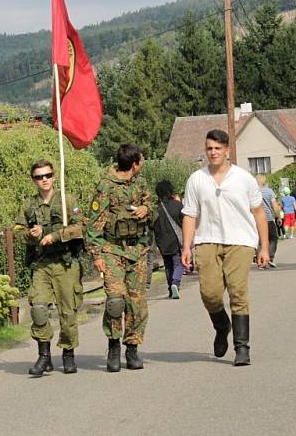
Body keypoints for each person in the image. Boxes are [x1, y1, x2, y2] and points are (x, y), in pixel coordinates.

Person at [181, 129, 269, 367]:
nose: (213, 153)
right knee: (209, 293)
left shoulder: (244, 179)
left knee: (238, 292)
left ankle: (242, 348)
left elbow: (259, 213)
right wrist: (186, 246)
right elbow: (190, 215)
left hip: (240, 241)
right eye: (209, 148)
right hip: (207, 240)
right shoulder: (196, 179)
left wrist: (264, 248)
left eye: (218, 148)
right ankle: (222, 326)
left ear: (227, 151)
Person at [86, 143, 153, 372]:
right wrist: (96, 255)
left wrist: (146, 209)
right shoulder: (106, 186)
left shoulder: (140, 183)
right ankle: (113, 345)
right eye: (141, 160)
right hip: (112, 251)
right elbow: (94, 223)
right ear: (134, 164)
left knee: (136, 303)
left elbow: (150, 206)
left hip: (137, 251)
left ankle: (132, 348)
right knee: (116, 301)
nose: (142, 164)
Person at [13, 160, 84, 375]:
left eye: (47, 175)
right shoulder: (28, 205)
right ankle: (44, 356)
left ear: (54, 176)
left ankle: (68, 353)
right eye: (39, 177)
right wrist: (31, 235)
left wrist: (56, 236)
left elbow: (81, 226)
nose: (44, 180)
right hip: (41, 264)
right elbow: (17, 231)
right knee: (39, 308)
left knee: (67, 311)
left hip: (65, 263)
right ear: (33, 180)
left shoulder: (66, 201)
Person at [153, 179, 184, 299]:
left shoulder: (156, 208)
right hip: (175, 240)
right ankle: (175, 283)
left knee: (168, 265)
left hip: (162, 241)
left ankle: (170, 289)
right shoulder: (177, 205)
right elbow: (184, 222)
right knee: (178, 263)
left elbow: (152, 225)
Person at [256, 174, 280, 268]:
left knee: (259, 240)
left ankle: (260, 260)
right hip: (268, 219)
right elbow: (274, 205)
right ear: (264, 181)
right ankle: (269, 257)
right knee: (273, 238)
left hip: (256, 219)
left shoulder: (253, 192)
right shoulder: (269, 191)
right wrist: (278, 217)